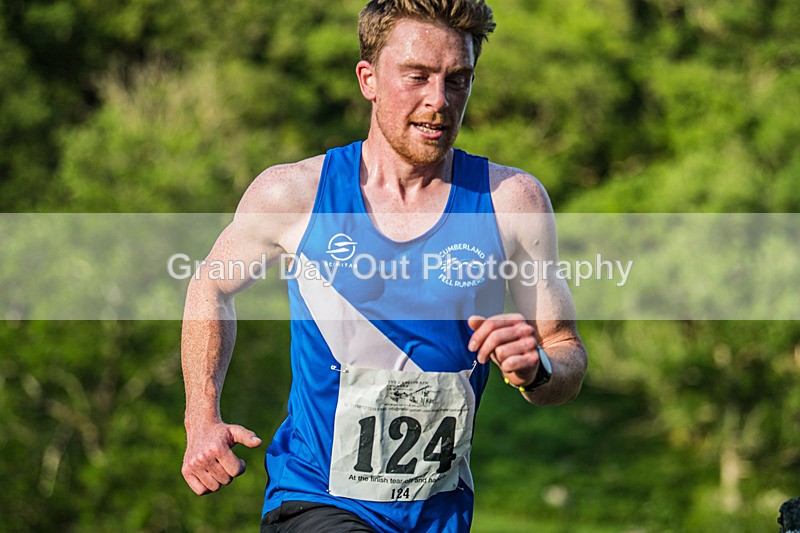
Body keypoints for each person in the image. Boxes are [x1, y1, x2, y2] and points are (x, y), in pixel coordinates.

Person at [180, 0, 588, 531]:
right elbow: (210, 286)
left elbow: (564, 349)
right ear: (368, 79)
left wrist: (538, 369)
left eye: (458, 80)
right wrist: (201, 416)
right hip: (315, 499)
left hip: (439, 514)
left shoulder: (511, 201)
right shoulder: (294, 194)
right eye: (417, 76)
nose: (438, 100)